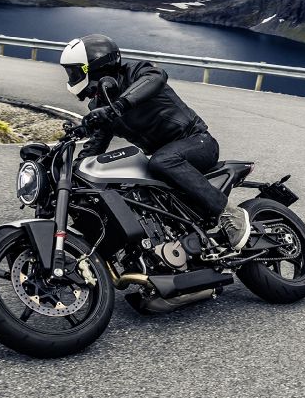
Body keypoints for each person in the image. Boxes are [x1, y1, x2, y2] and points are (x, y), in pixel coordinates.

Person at [58, 34, 250, 249]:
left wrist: (120, 105)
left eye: (75, 71)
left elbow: (156, 78)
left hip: (197, 142)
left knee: (162, 160)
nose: (72, 76)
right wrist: (75, 172)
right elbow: (96, 144)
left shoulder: (136, 72)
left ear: (94, 66)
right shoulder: (100, 105)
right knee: (125, 185)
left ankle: (229, 212)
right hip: (161, 158)